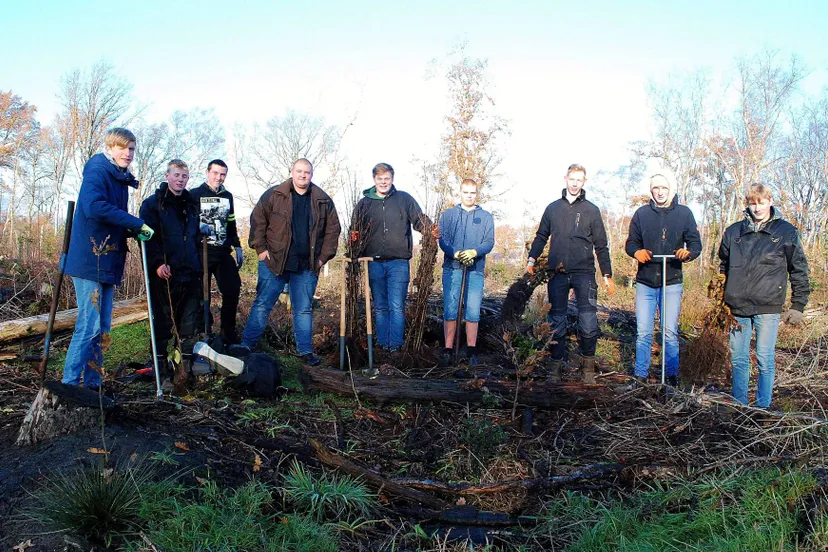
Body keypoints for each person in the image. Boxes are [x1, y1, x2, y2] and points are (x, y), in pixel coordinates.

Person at [62, 128, 153, 389]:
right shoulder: (98, 169)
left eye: (132, 149)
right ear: (110, 148)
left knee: (102, 329)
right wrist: (134, 222)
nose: (128, 153)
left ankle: (92, 386)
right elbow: (94, 207)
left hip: (108, 260)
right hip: (90, 259)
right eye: (122, 148)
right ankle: (68, 386)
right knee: (89, 325)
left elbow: (112, 218)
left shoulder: (120, 177)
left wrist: (133, 230)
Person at [238, 158, 340, 365]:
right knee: (262, 304)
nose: (303, 175)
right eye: (299, 171)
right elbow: (258, 219)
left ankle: (305, 352)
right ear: (292, 171)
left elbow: (333, 230)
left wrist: (322, 259)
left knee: (303, 309)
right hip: (274, 262)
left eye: (307, 172)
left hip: (307, 265)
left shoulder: (322, 200)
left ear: (312, 174)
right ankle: (246, 345)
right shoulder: (275, 195)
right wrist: (260, 250)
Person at [718, 183, 809, 408]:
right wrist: (721, 298)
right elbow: (723, 267)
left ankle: (762, 407)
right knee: (739, 359)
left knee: (764, 359)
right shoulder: (734, 232)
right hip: (737, 306)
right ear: (747, 205)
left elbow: (798, 268)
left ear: (770, 202)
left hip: (768, 306)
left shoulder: (786, 232)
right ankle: (740, 406)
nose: (757, 208)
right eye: (752, 203)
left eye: (761, 202)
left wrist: (798, 304)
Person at [526, 163, 614, 383]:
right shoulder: (553, 208)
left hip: (584, 273)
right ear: (565, 179)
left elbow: (601, 245)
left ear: (584, 182)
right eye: (572, 179)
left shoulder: (592, 210)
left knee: (588, 321)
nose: (575, 183)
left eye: (579, 179)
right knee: (556, 321)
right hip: (558, 273)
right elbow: (541, 236)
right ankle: (555, 370)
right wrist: (531, 259)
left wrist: (607, 274)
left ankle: (588, 370)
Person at [624, 165, 701, 386]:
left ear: (671, 189)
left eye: (663, 187)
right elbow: (631, 242)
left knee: (669, 333)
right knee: (643, 333)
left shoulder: (684, 213)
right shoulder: (642, 214)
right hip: (646, 282)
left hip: (672, 280)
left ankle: (671, 377)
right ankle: (640, 376)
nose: (659, 192)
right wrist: (636, 252)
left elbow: (695, 243)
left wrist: (688, 254)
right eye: (655, 188)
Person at [350, 163, 433, 352]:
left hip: (398, 262)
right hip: (373, 263)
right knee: (380, 306)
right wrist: (353, 249)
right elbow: (354, 230)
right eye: (380, 179)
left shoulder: (404, 199)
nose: (383, 182)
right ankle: (381, 344)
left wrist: (430, 229)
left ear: (392, 179)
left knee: (396, 305)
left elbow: (419, 219)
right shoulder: (364, 203)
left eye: (386, 178)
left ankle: (395, 347)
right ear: (374, 180)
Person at [139, 160, 202, 392]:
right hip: (165, 276)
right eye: (176, 175)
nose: (180, 180)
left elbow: (195, 237)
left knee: (188, 326)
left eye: (184, 176)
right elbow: (146, 237)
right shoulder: (153, 204)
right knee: (163, 324)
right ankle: (160, 371)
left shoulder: (191, 205)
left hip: (190, 273)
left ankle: (182, 372)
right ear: (167, 176)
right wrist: (157, 263)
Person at [438, 179, 495, 366]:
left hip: (475, 269)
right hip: (452, 268)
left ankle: (471, 350)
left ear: (476, 194)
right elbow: (443, 240)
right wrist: (456, 253)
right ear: (460, 193)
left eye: (472, 193)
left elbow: (489, 242)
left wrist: (474, 252)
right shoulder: (448, 215)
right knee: (451, 309)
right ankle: (448, 348)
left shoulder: (485, 217)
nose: (469, 196)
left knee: (472, 310)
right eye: (466, 192)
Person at [189, 159, 243, 343]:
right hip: (201, 252)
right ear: (207, 172)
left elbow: (231, 223)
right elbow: (187, 223)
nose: (218, 177)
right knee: (200, 294)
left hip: (222, 252)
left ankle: (228, 333)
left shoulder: (228, 196)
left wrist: (237, 245)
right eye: (215, 173)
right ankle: (203, 331)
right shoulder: (194, 194)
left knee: (233, 288)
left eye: (222, 174)